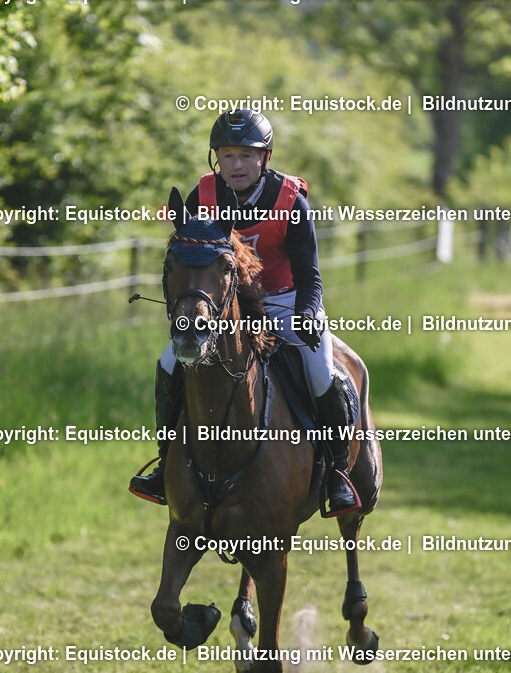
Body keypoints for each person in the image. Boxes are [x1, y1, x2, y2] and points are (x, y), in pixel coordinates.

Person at [130, 108, 359, 515]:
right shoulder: (201, 197)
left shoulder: (292, 202)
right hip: (226, 308)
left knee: (321, 368)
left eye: (246, 155)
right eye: (227, 155)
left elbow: (310, 275)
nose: (235, 165)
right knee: (168, 365)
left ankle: (338, 471)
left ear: (264, 158)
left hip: (286, 300)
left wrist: (307, 313)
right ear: (216, 158)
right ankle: (166, 461)